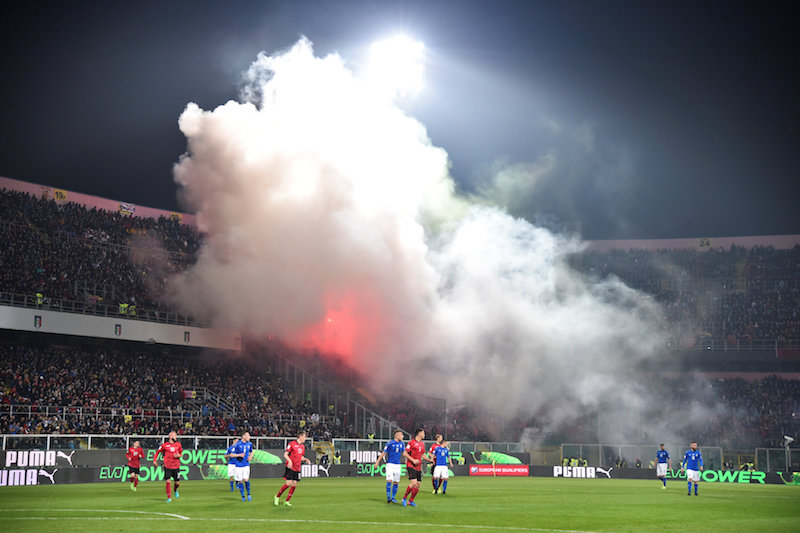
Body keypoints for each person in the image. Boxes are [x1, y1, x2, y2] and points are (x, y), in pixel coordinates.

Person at [275, 430, 311, 507]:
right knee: (288, 484)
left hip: (298, 468)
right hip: (290, 467)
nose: (305, 438)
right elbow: (285, 454)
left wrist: (305, 459)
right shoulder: (291, 444)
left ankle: (287, 501)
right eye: (304, 437)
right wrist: (289, 461)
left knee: (294, 484)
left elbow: (300, 456)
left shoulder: (302, 446)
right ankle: (277, 496)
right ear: (300, 436)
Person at [373, 429, 408, 503]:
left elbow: (404, 453)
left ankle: (393, 497)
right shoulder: (389, 443)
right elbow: (383, 453)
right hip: (390, 465)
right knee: (389, 480)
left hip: (398, 465)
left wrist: (407, 460)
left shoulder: (402, 444)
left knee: (396, 482)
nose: (402, 436)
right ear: (396, 435)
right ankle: (389, 497)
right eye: (401, 435)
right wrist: (377, 462)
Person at [402, 428, 430, 508]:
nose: (424, 435)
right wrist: (413, 460)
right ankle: (404, 498)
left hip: (418, 467)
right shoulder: (411, 442)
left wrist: (430, 460)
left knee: (417, 485)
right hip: (411, 465)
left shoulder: (422, 444)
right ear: (419, 433)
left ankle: (410, 501)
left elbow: (422, 455)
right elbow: (404, 453)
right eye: (423, 433)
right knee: (413, 483)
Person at [154, 431, 183, 503]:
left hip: (176, 466)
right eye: (175, 435)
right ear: (171, 436)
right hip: (167, 466)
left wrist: (178, 455)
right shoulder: (164, 445)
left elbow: (181, 453)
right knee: (168, 481)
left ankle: (175, 490)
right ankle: (169, 497)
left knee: (177, 483)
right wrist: (154, 461)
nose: (176, 437)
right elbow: (157, 452)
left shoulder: (178, 444)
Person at [233, 432, 254, 502]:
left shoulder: (249, 444)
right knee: (240, 481)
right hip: (238, 465)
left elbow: (252, 451)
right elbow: (232, 455)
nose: (249, 437)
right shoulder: (237, 444)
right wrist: (239, 455)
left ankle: (248, 494)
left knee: (246, 479)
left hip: (246, 465)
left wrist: (250, 456)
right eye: (248, 435)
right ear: (243, 436)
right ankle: (243, 496)